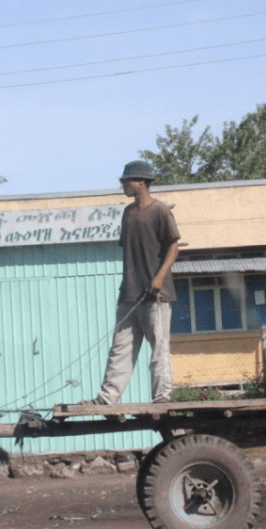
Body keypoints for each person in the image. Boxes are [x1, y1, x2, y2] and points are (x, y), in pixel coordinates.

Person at [88, 160, 180, 405]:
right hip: (129, 294)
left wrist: (159, 277)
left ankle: (162, 397)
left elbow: (173, 246)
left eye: (126, 180)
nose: (123, 185)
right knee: (120, 350)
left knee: (159, 349)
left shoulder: (160, 210)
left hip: (156, 296)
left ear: (141, 182)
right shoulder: (128, 213)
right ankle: (107, 398)